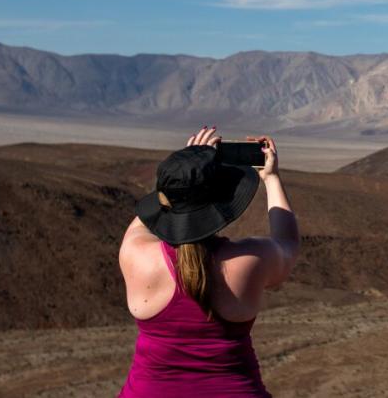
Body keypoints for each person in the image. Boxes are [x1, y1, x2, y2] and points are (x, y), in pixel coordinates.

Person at [118, 126, 299, 397]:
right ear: (224, 201)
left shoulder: (135, 254)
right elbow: (288, 244)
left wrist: (180, 174)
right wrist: (271, 178)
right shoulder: (250, 260)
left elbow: (151, 212)